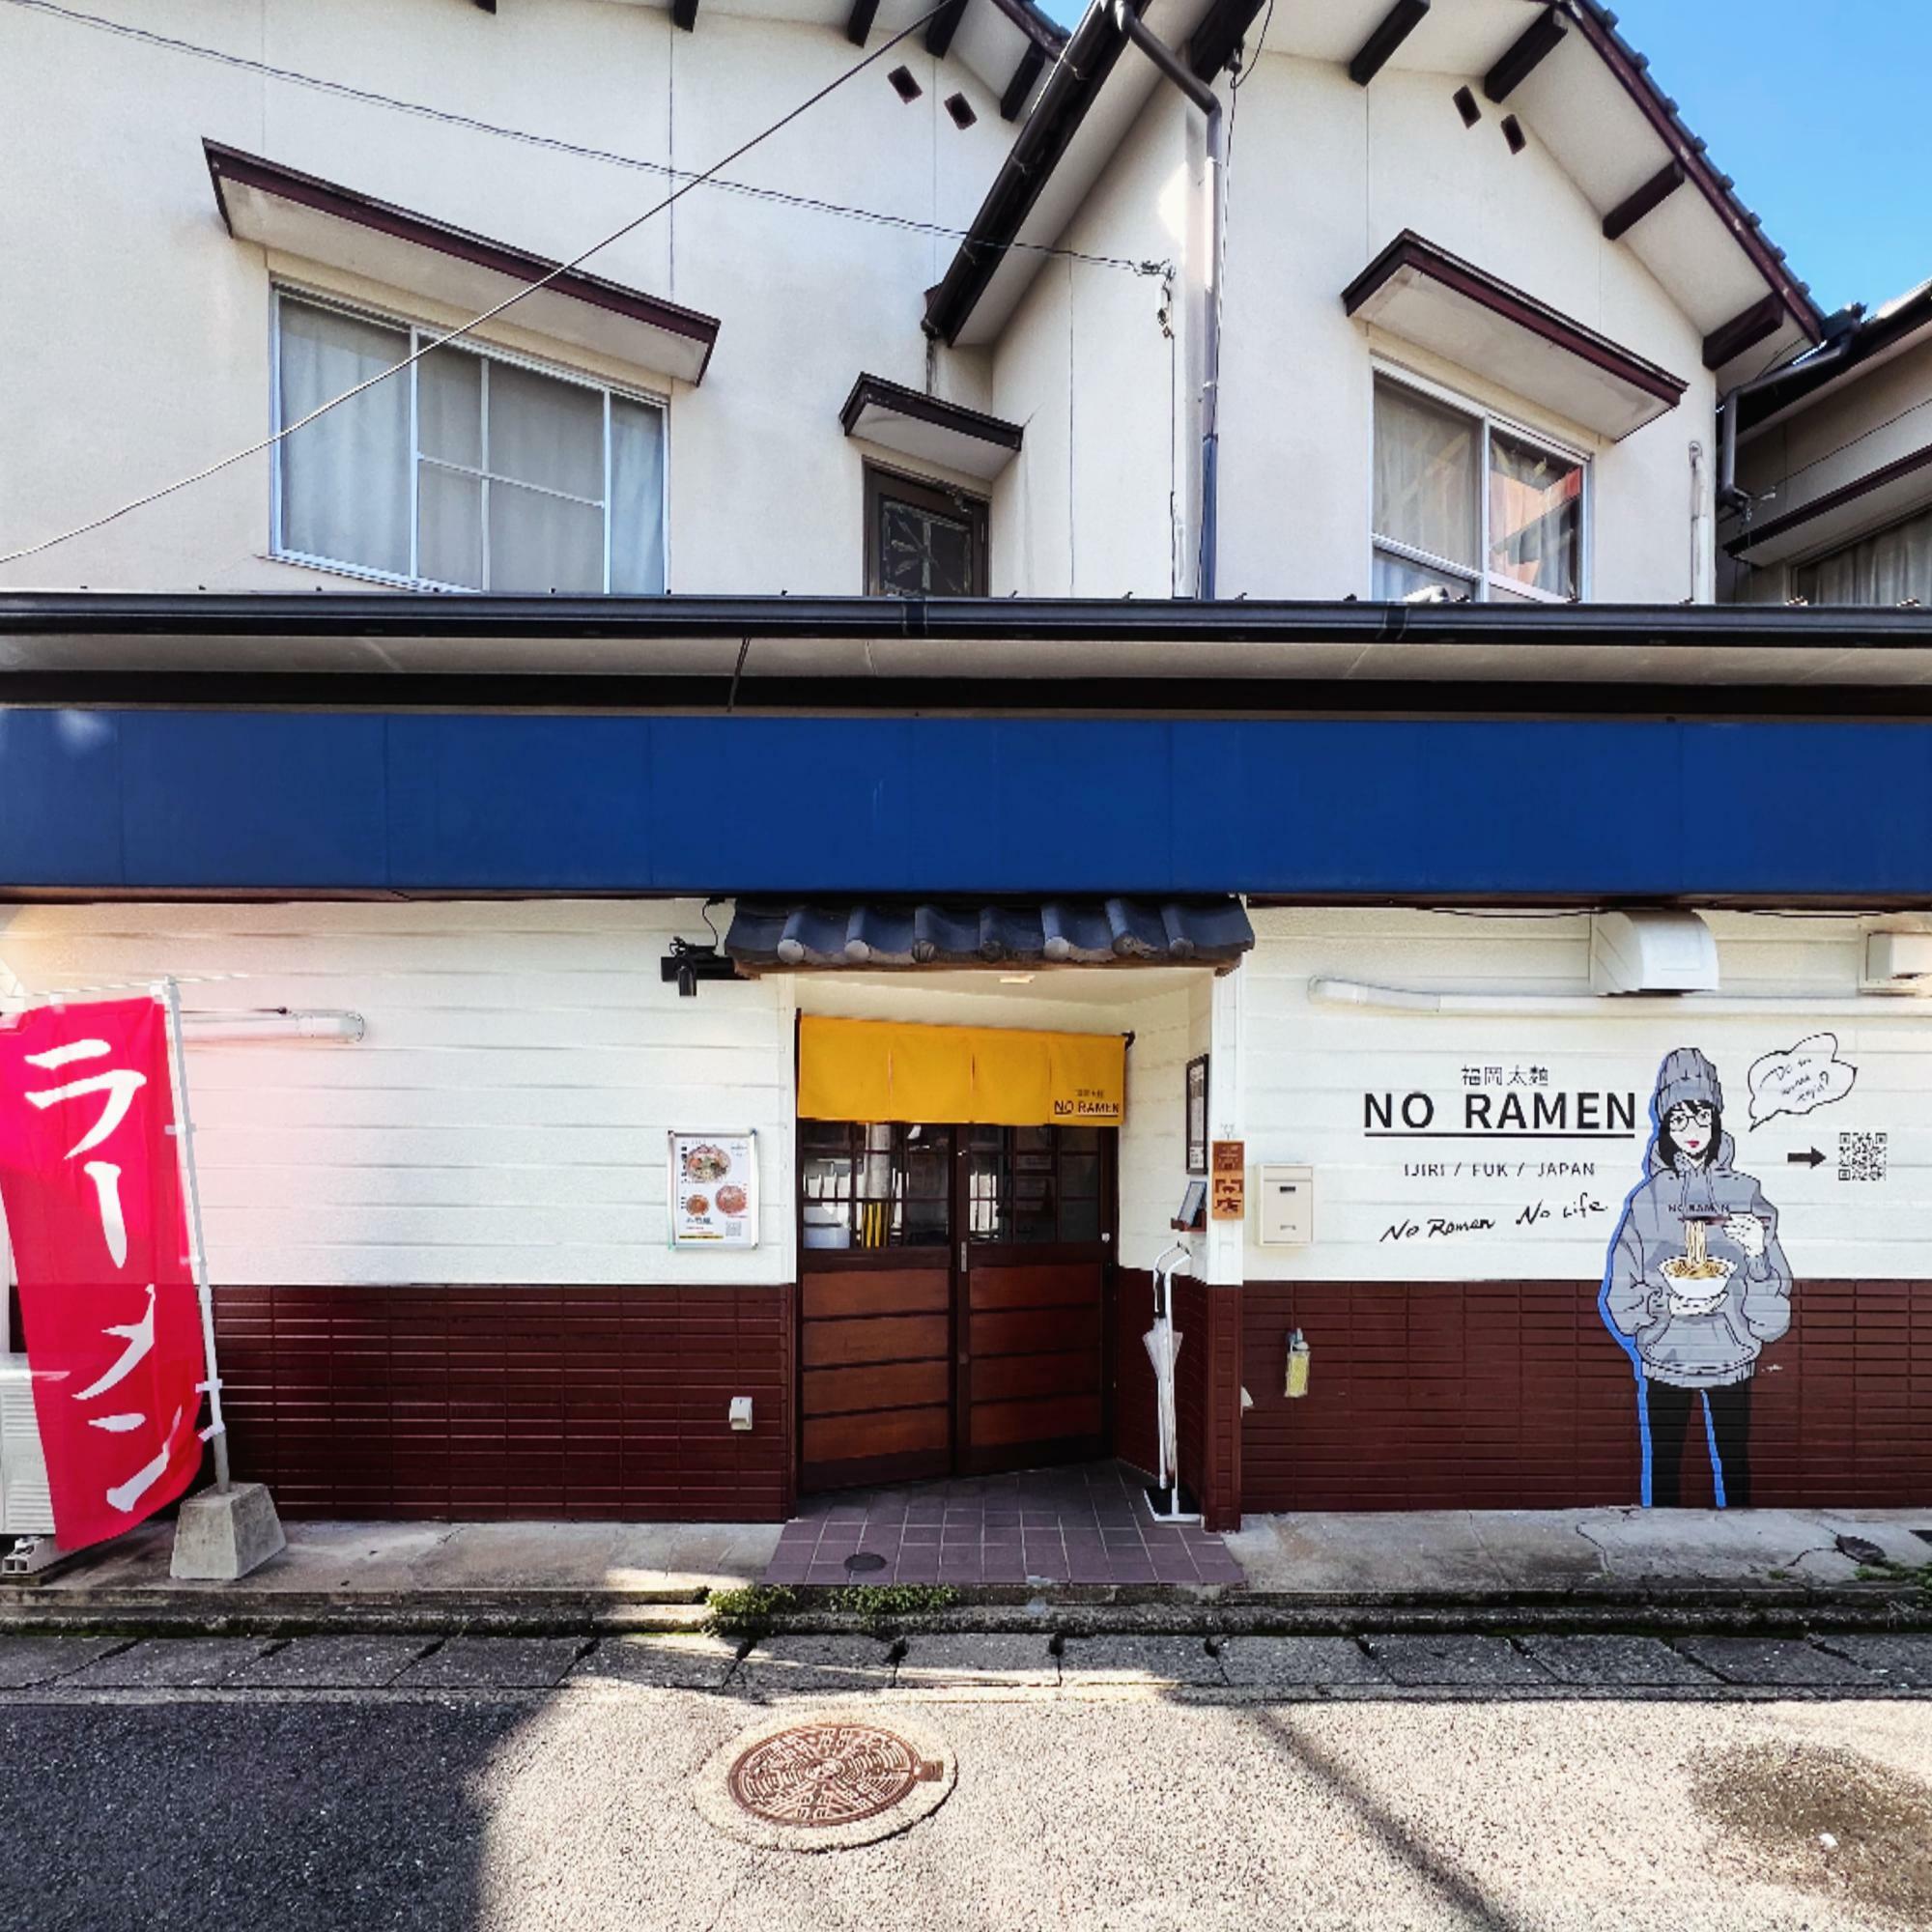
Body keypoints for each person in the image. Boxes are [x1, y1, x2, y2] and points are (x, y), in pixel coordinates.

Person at [1601, 1048, 1793, 1507]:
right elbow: (1619, 1296)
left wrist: (1759, 1254)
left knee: (1735, 1469)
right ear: (1665, 1126)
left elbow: (1775, 1316)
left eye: (1702, 1118)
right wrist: (1666, 1305)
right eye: (1680, 1120)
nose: (1692, 1132)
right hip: (1665, 1361)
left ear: (1716, 1123)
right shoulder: (1647, 1202)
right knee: (1664, 1470)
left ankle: (1749, 1556)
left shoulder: (1745, 1194)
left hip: (1732, 1360)